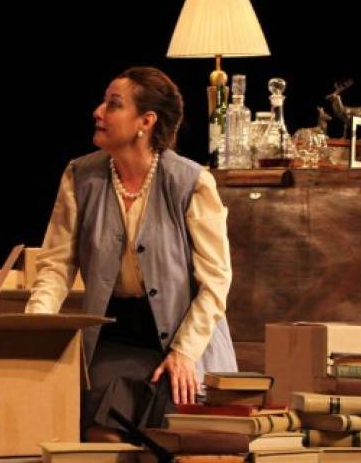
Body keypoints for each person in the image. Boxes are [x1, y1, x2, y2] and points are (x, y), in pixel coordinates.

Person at [25, 66, 238, 441]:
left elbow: (216, 281)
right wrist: (33, 329)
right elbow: (56, 265)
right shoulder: (80, 177)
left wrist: (184, 352)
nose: (98, 112)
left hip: (187, 335)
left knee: (174, 426)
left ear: (146, 121)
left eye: (113, 104)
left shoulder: (190, 182)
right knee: (100, 429)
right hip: (116, 335)